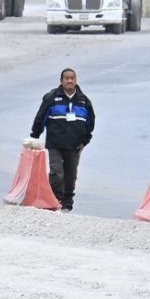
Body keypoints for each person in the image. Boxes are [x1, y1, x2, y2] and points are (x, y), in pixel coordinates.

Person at [27, 69, 96, 211]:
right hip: (55, 144)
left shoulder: (84, 101)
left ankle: (67, 204)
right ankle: (54, 198)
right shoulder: (51, 98)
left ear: (76, 80)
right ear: (61, 81)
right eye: (66, 78)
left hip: (74, 146)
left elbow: (90, 123)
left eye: (72, 78)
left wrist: (84, 141)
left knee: (71, 177)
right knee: (56, 173)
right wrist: (35, 136)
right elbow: (40, 118)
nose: (69, 81)